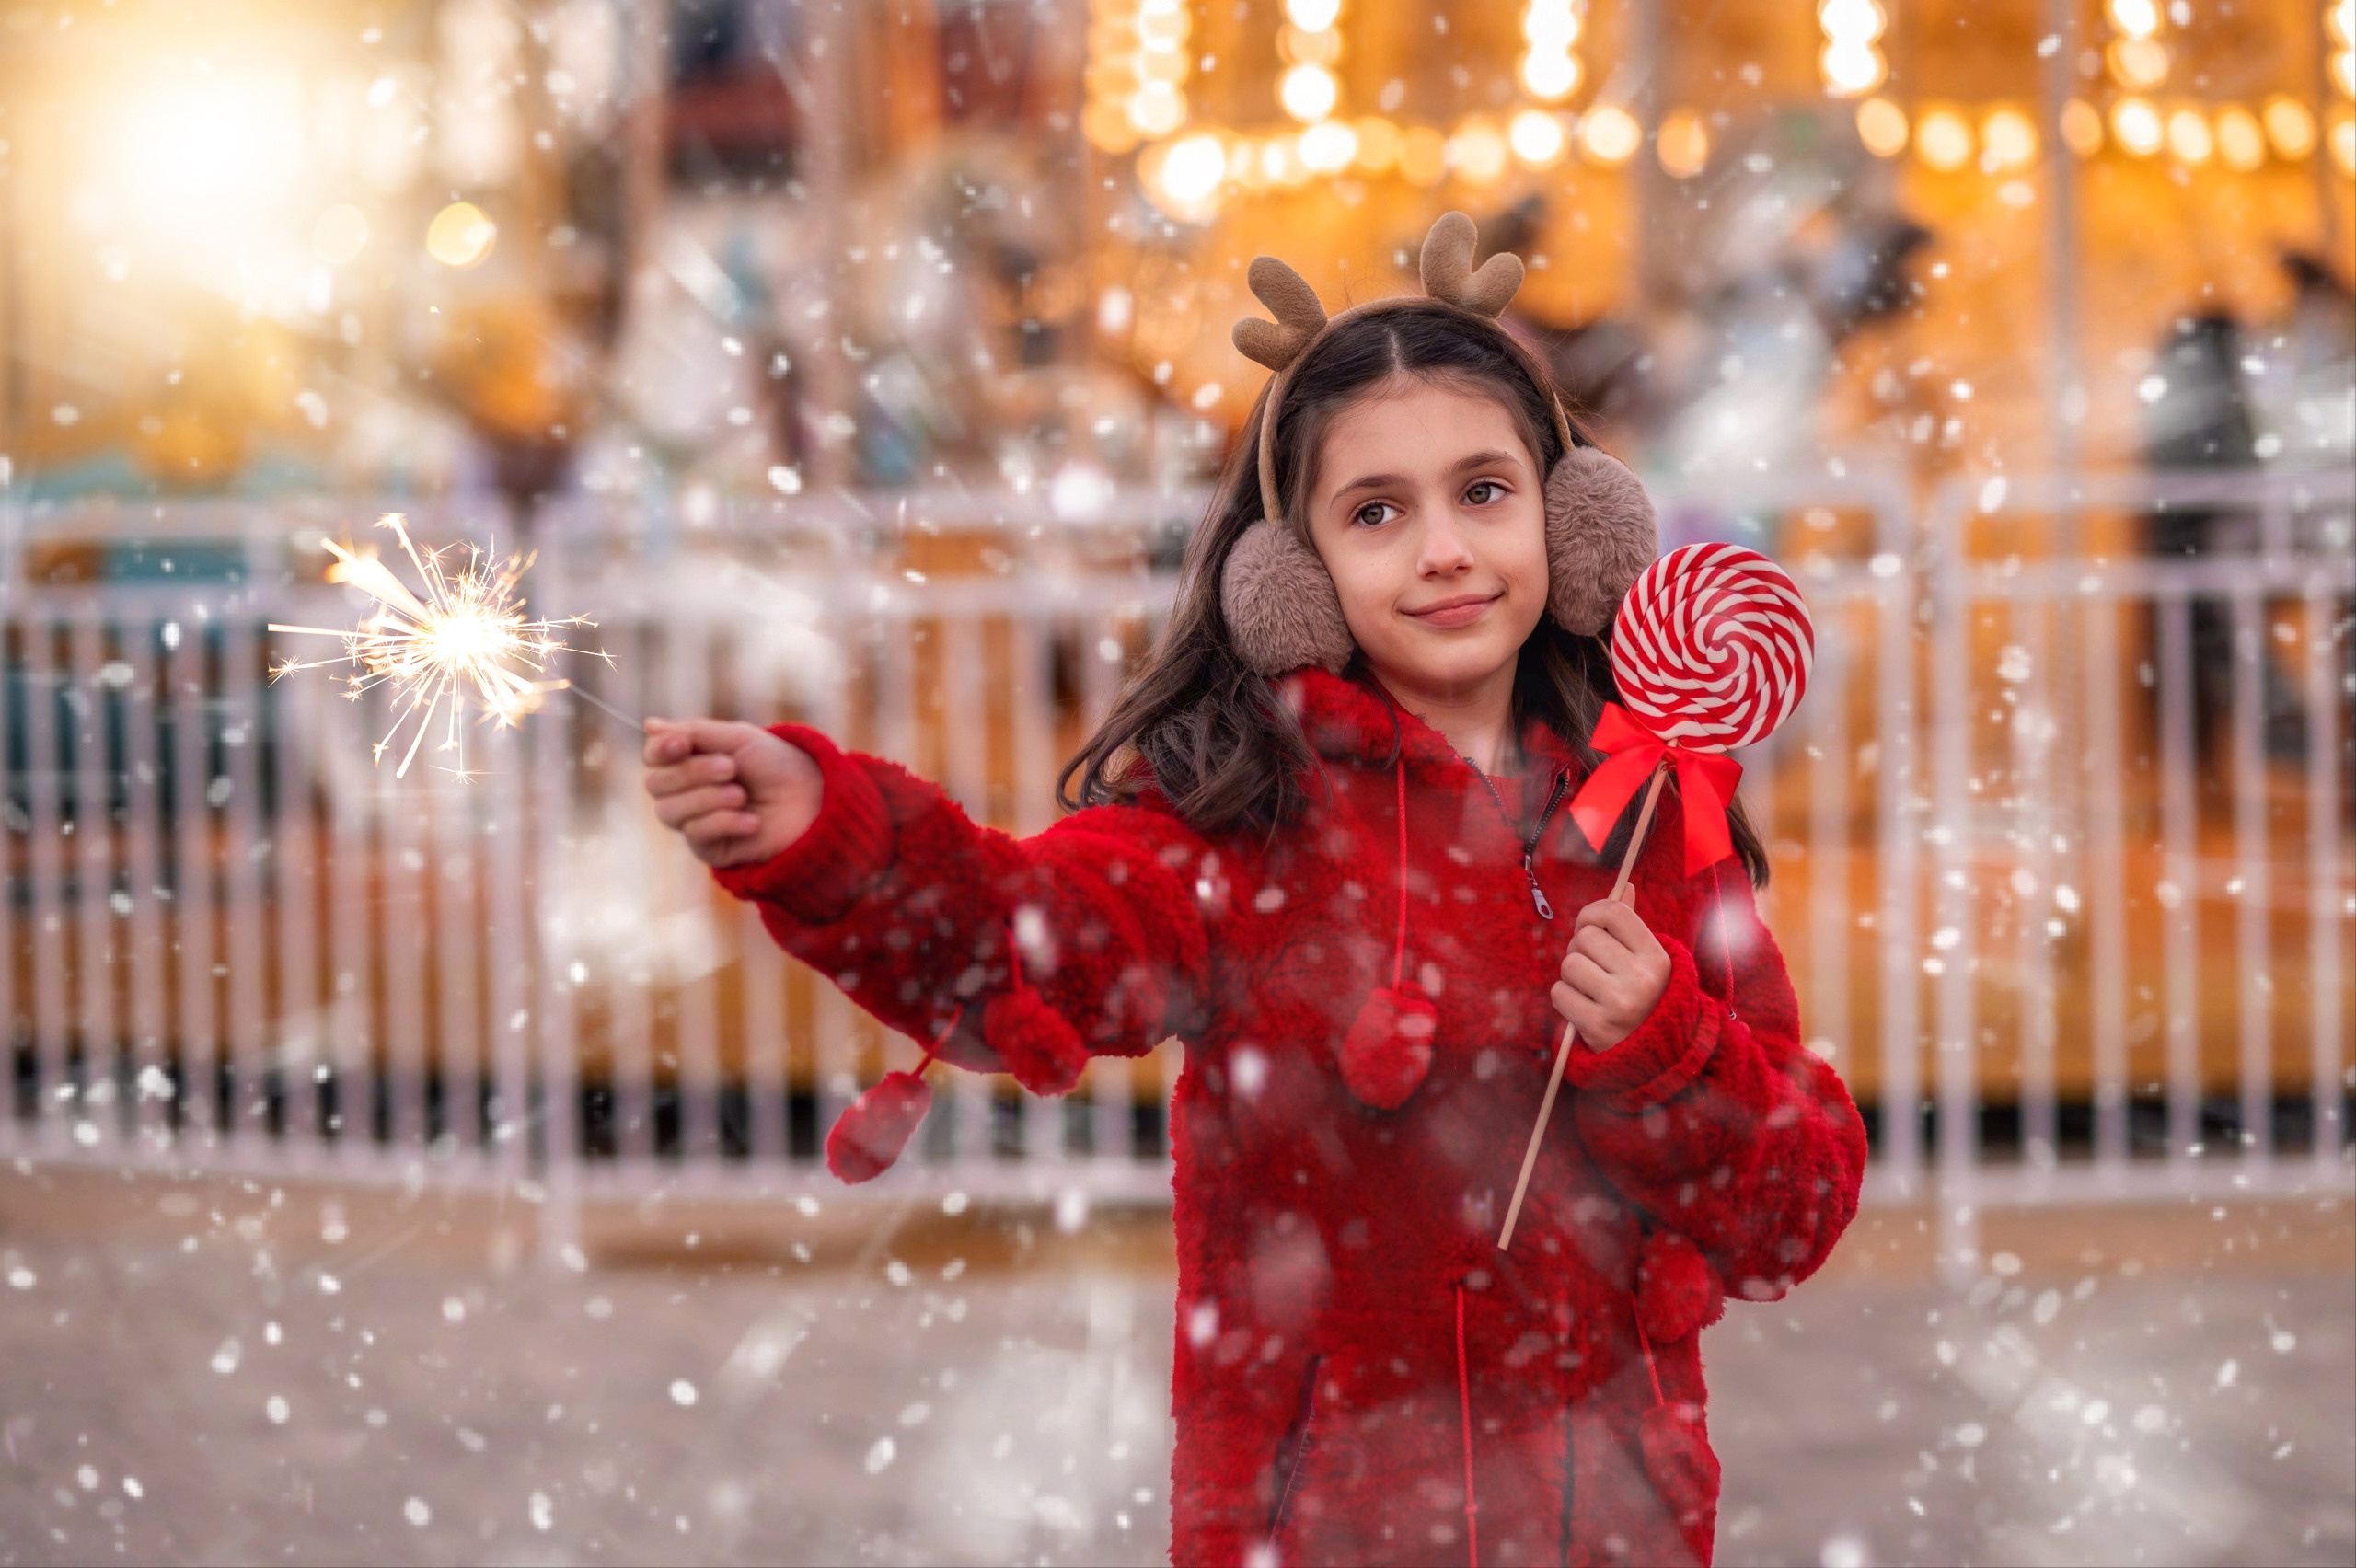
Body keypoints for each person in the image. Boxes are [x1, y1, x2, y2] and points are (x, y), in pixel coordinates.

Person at [641, 213, 1865, 1568]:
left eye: (1484, 492)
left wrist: (1665, 1049)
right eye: (1377, 512)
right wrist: (842, 837)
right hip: (1324, 1526)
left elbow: (1792, 1213)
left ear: (1573, 519)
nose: (1444, 549)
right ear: (1293, 574)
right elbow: (1034, 939)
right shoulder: (1241, 824)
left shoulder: (1656, 826)